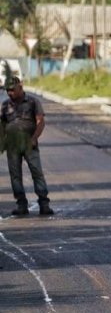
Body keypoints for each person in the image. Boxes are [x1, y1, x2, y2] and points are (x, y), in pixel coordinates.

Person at [1, 76, 53, 216]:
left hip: (29, 143)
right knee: (15, 175)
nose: (10, 93)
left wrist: (34, 138)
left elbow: (40, 121)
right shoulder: (5, 105)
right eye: (8, 90)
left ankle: (44, 203)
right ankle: (21, 205)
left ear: (20, 87)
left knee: (36, 172)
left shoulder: (32, 102)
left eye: (12, 90)